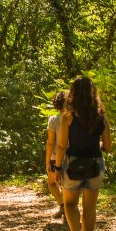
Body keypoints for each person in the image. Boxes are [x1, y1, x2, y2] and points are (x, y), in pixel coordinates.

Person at [54, 76, 111, 231]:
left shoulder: (68, 117)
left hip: (72, 166)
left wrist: (56, 168)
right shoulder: (101, 117)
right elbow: (108, 147)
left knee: (70, 204)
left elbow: (61, 146)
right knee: (90, 207)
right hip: (95, 165)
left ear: (73, 95)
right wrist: (96, 145)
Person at [45, 91, 66, 221]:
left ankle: (63, 205)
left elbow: (50, 142)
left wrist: (47, 161)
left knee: (52, 183)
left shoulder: (54, 119)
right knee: (67, 185)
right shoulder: (74, 119)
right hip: (71, 156)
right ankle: (66, 208)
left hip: (55, 157)